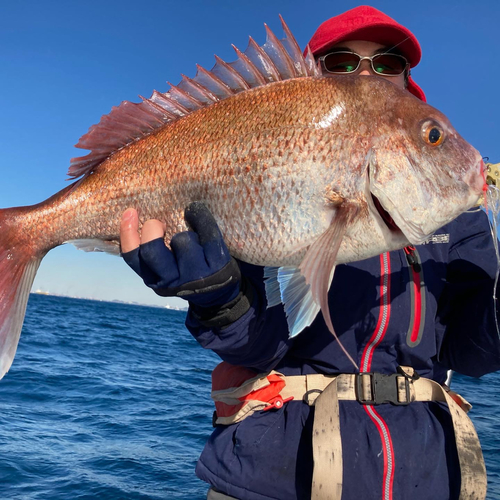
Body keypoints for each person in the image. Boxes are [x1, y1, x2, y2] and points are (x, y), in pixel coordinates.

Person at [119, 6, 499, 500]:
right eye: (341, 61)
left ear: (407, 82)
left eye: (387, 64)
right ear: (313, 76)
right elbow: (257, 346)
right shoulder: (267, 172)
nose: (366, 74)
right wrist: (219, 302)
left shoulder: (461, 220)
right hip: (275, 473)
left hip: (426, 476)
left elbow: (473, 353)